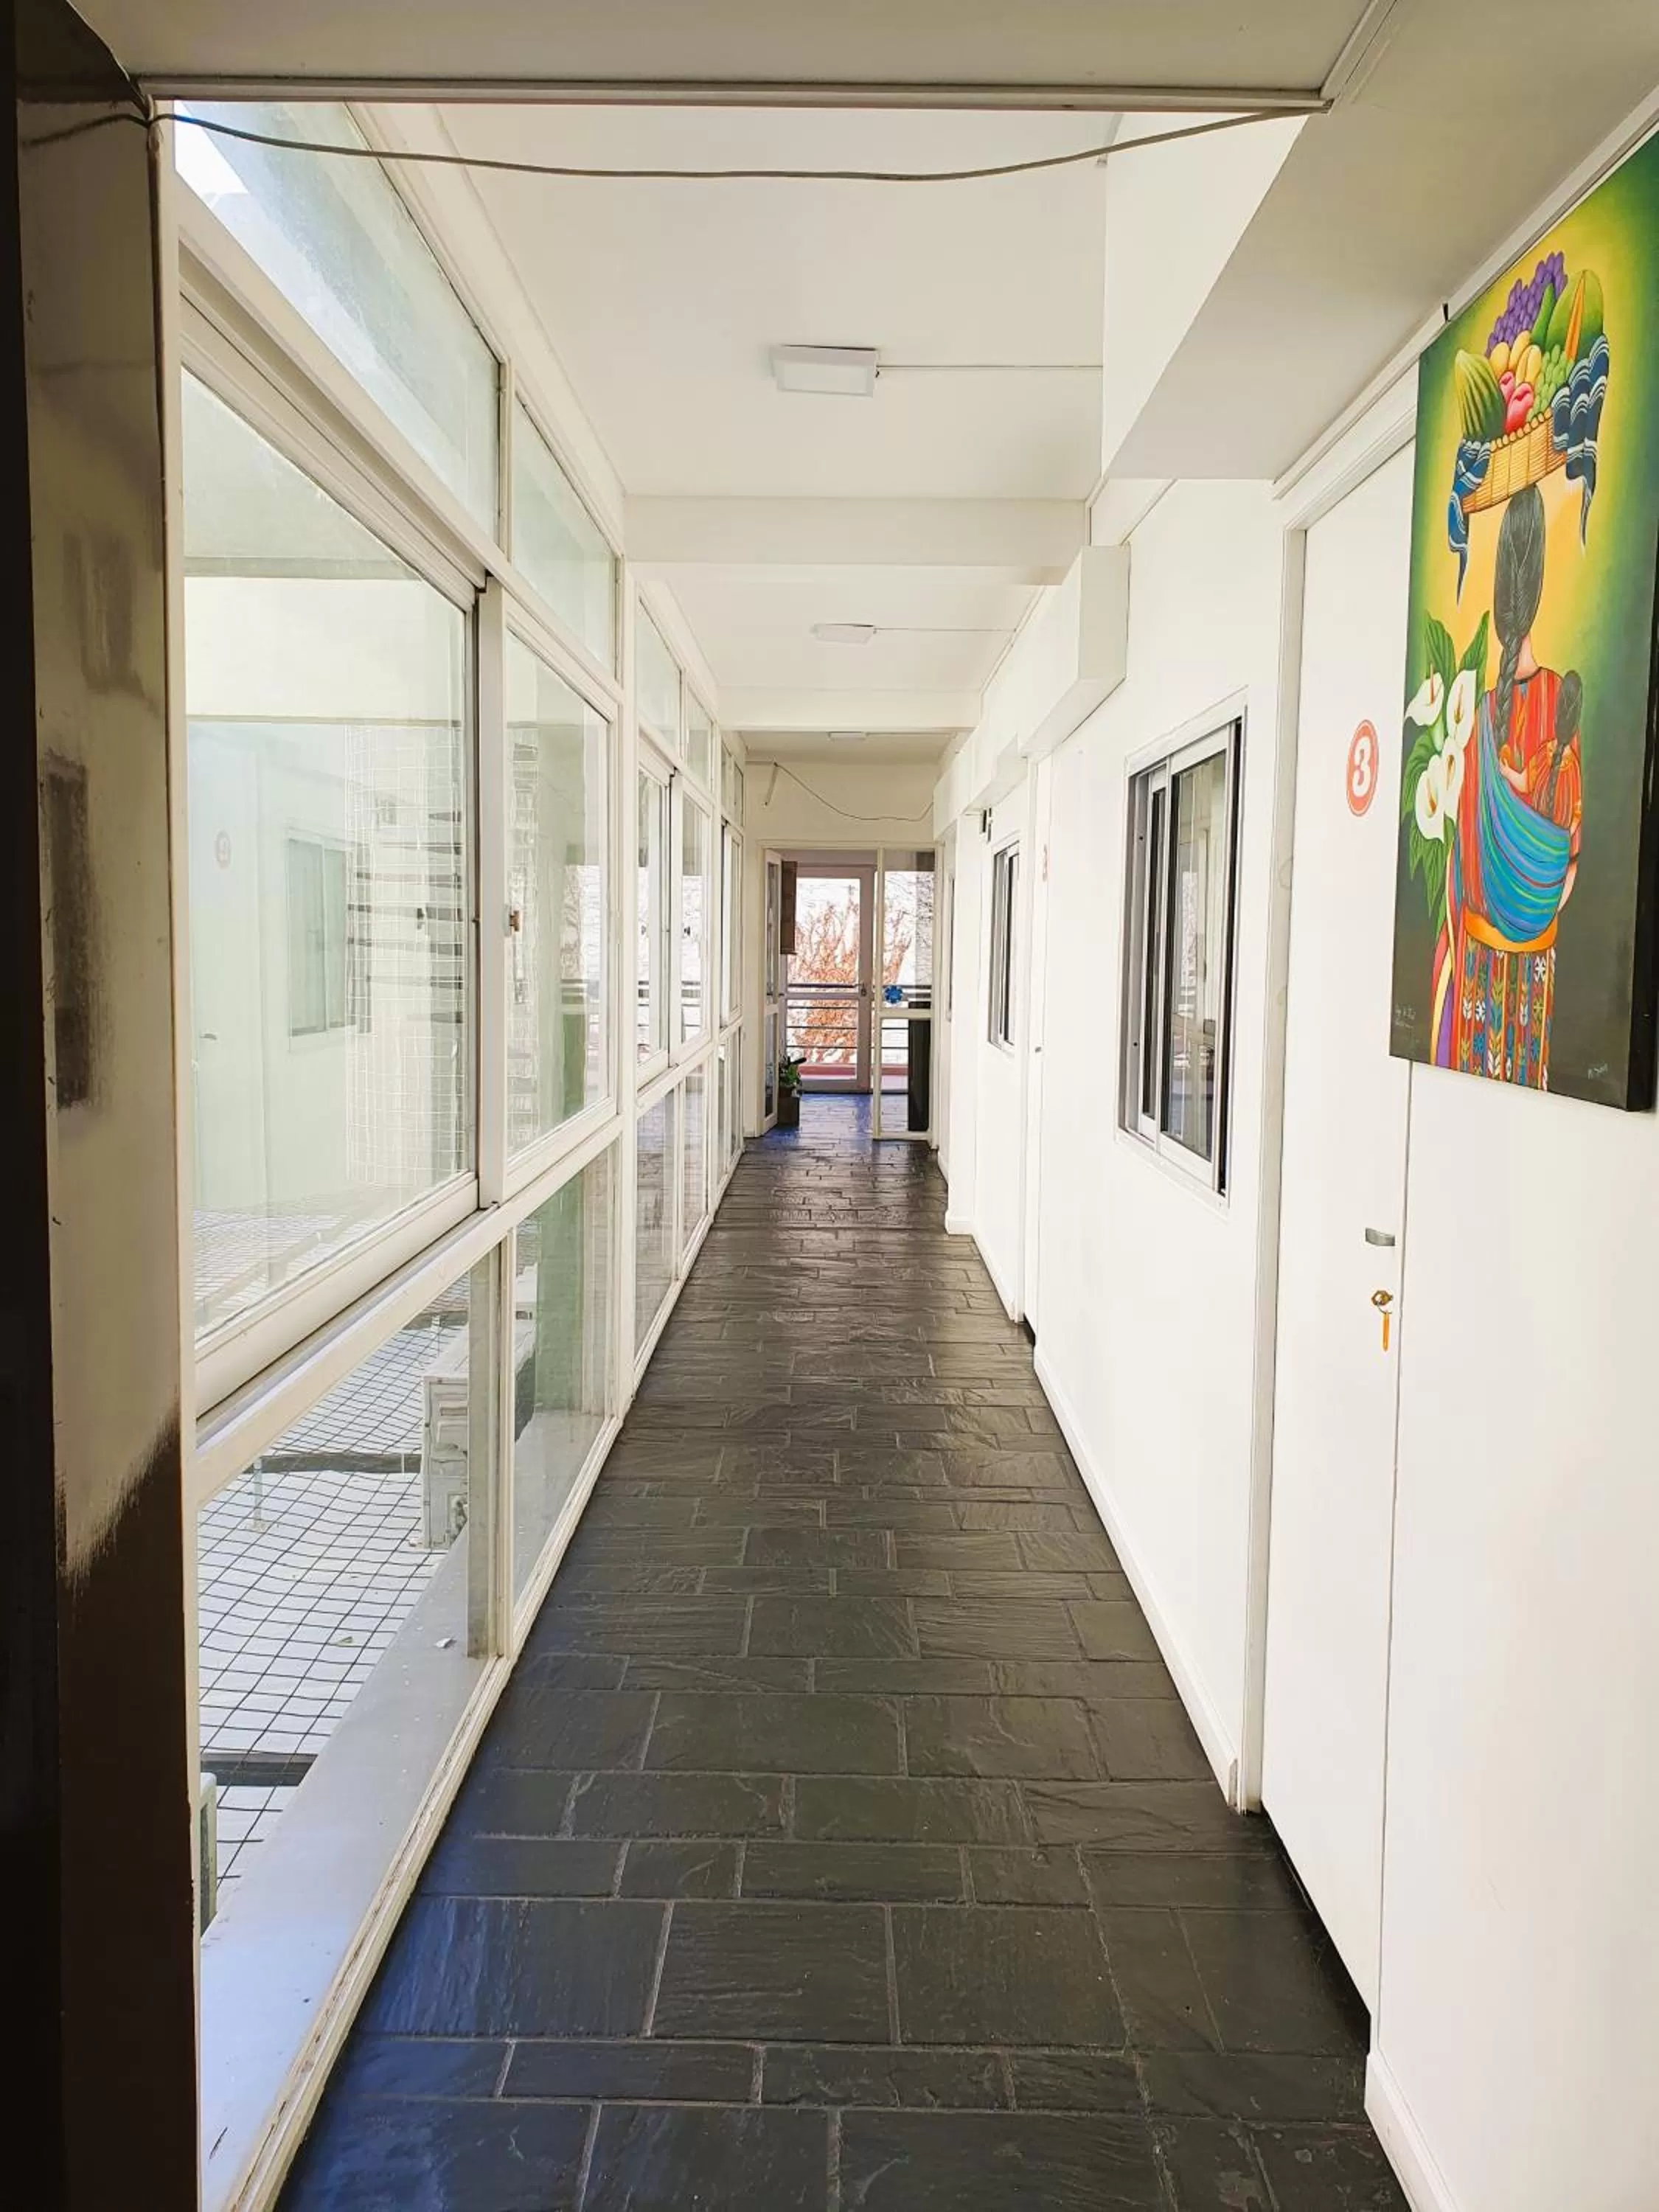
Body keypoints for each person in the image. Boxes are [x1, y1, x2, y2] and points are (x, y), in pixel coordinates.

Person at [1434, 484, 1582, 1087]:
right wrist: (1534, 898)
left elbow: (1459, 857)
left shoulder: (1475, 717)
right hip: (1534, 966)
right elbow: (1570, 858)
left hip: (1476, 963)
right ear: (1540, 587)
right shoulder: (1560, 703)